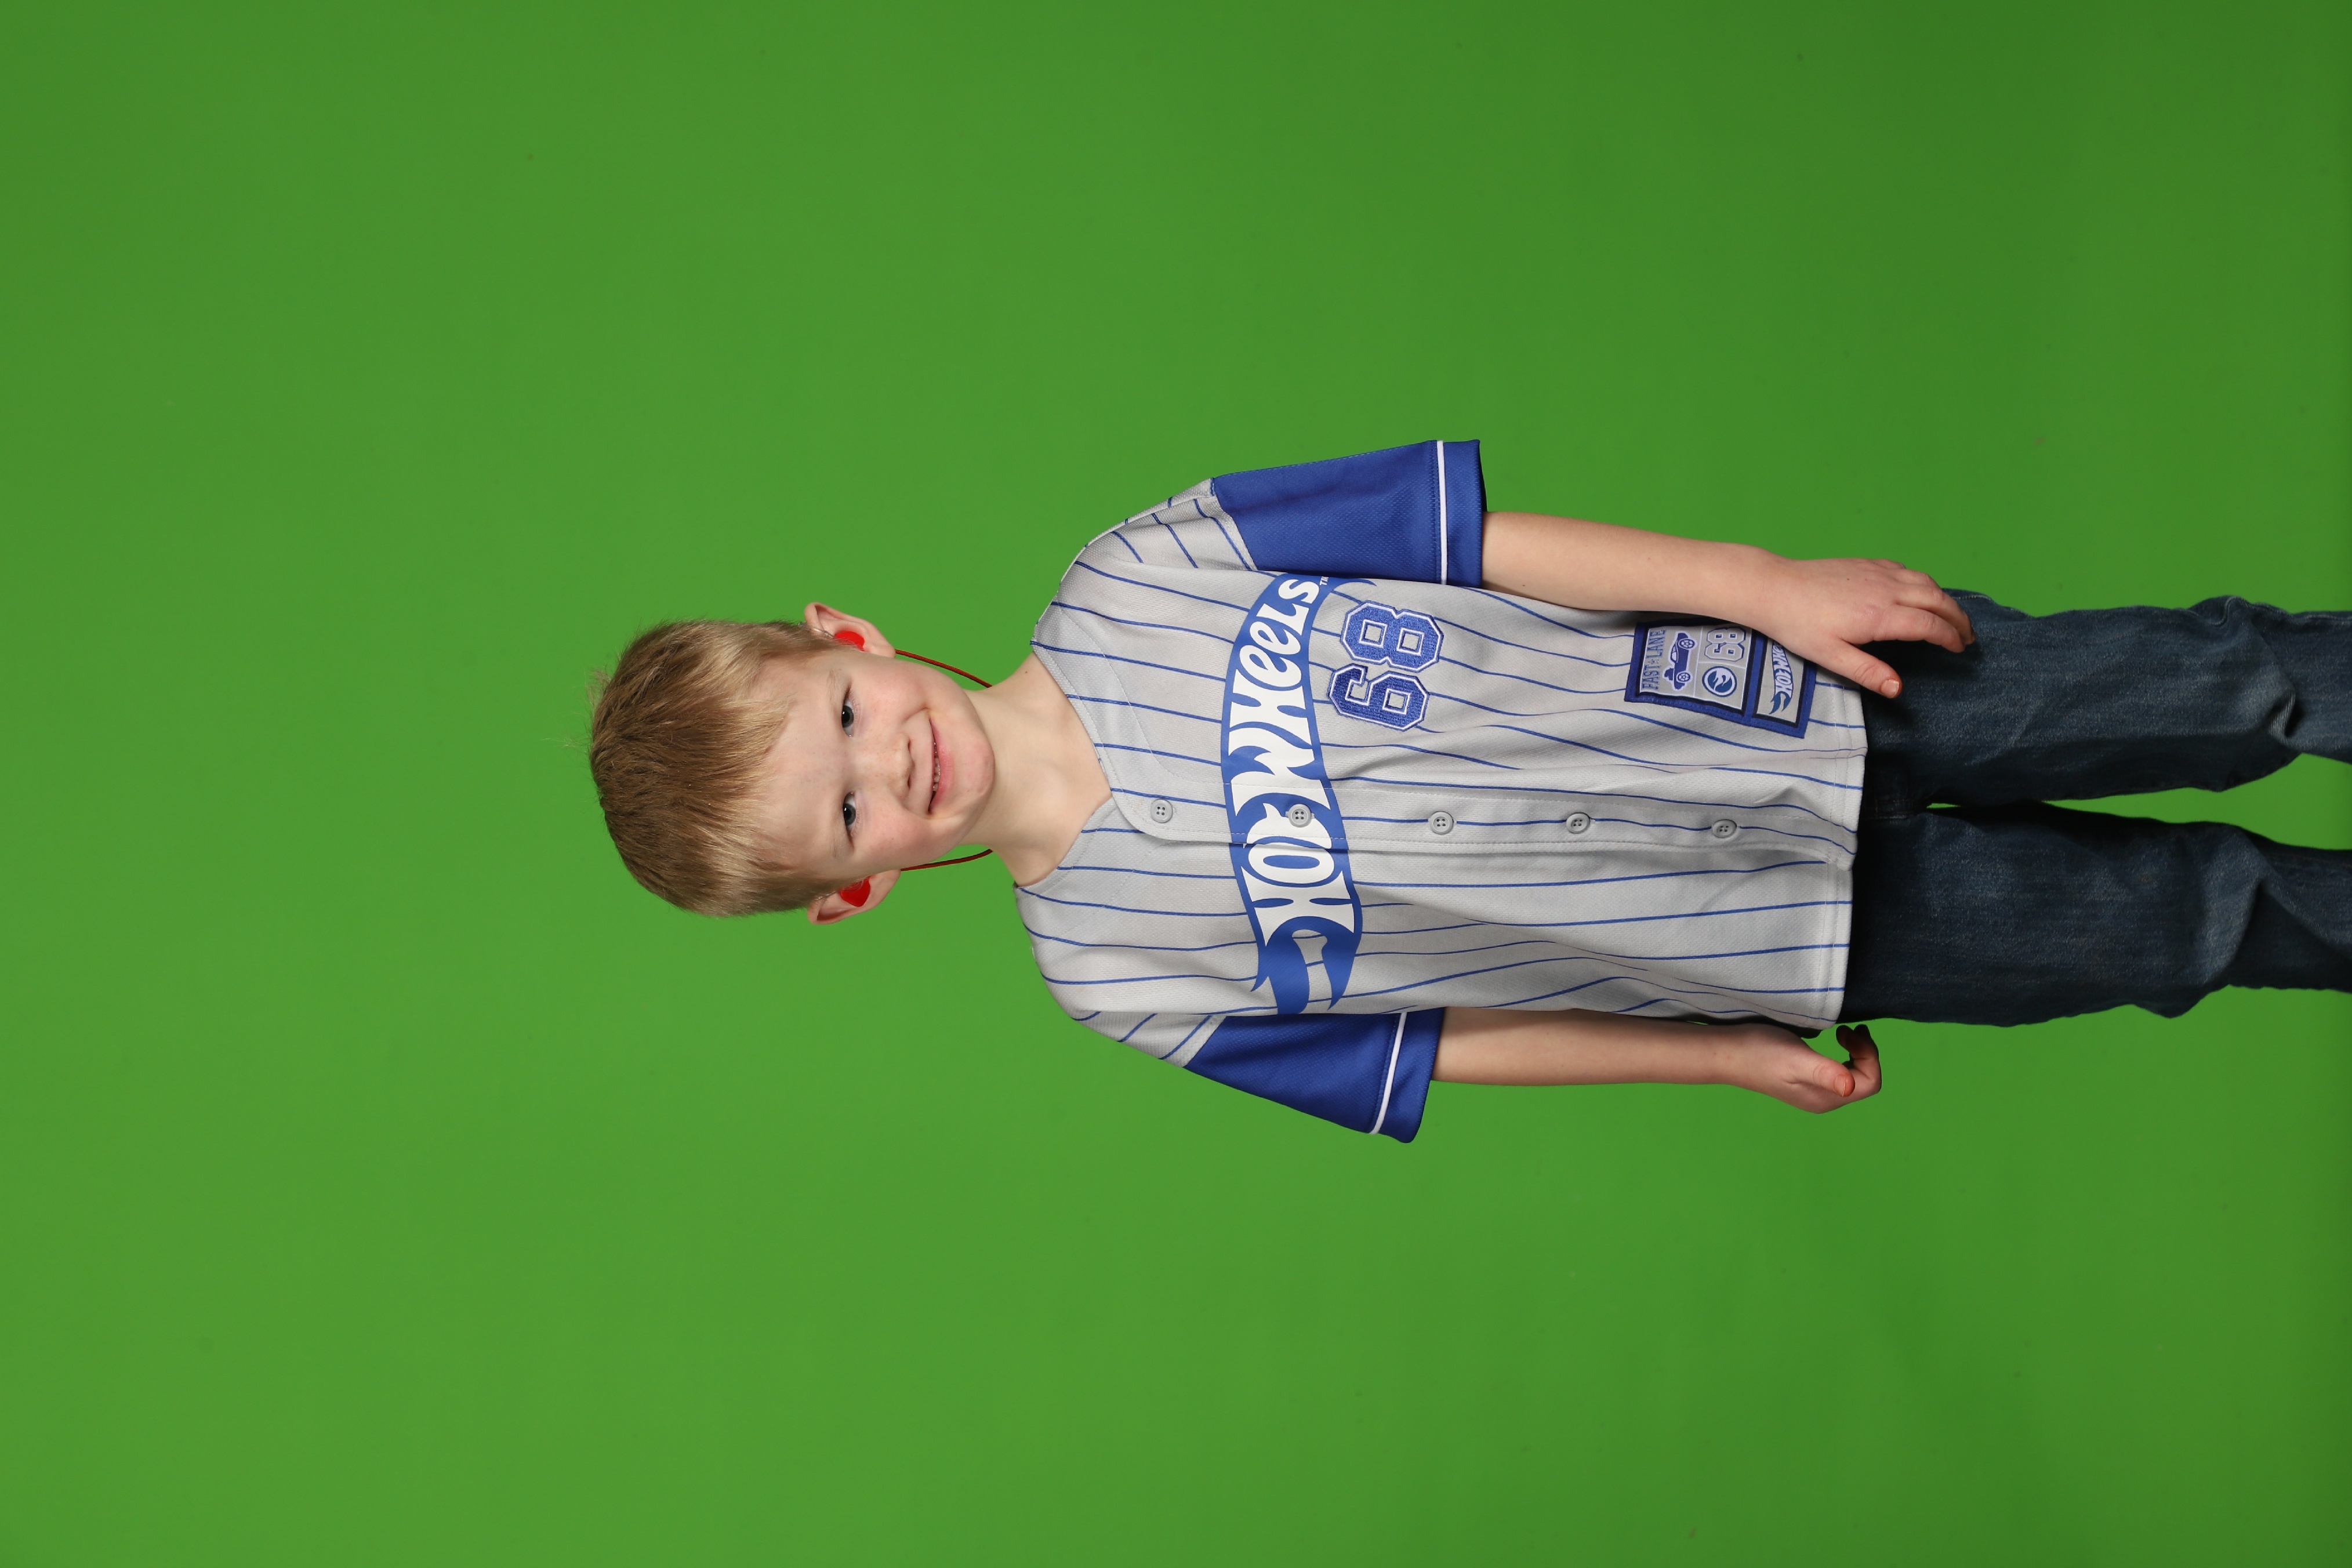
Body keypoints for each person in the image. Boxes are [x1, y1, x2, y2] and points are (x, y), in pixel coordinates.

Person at [588, 441, 2351, 1142]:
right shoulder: (1114, 978)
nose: (887, 761)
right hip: (1778, 941)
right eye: (844, 814)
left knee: (2237, 683)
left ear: (848, 637)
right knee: (2196, 924)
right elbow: (1441, 1046)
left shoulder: (1139, 564)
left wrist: (1762, 585)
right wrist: (1716, 1054)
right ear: (856, 889)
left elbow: (1468, 542)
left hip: (1796, 694)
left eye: (843, 715)